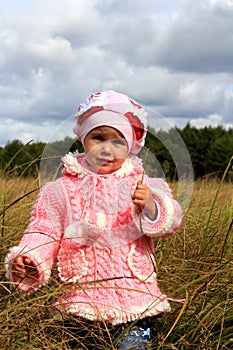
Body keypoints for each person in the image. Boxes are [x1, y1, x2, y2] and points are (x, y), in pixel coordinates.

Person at [5, 90, 183, 349]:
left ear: (132, 145)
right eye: (98, 138)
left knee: (134, 346)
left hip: (137, 300)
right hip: (81, 302)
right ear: (83, 139)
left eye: (118, 141)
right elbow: (43, 229)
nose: (107, 149)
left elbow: (171, 221)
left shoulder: (145, 184)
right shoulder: (60, 190)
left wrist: (152, 206)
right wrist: (30, 257)